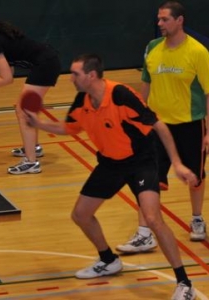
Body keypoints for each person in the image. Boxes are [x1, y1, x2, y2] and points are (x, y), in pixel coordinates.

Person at [25, 53, 197, 300]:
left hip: (141, 162)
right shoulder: (82, 100)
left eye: (75, 74)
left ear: (91, 75)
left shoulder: (121, 95)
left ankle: (184, 282)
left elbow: (158, 125)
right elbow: (68, 128)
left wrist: (178, 164)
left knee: (152, 218)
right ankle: (108, 260)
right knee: (81, 215)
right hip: (110, 163)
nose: (70, 78)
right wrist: (39, 124)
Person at [116, 0, 209, 254]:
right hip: (157, 126)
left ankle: (197, 218)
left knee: (195, 177)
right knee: (147, 177)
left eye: (165, 19)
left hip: (191, 124)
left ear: (180, 21)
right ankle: (145, 233)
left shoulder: (198, 52)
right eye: (158, 19)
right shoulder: (152, 48)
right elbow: (145, 83)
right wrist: (139, 118)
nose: (160, 24)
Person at [0, 13, 61, 174]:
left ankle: (31, 162)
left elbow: (7, 79)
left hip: (45, 65)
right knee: (26, 111)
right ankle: (34, 148)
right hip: (46, 62)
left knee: (23, 111)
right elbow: (7, 70)